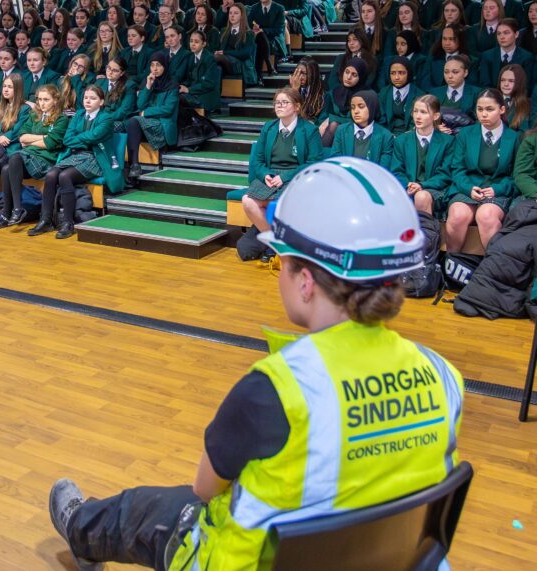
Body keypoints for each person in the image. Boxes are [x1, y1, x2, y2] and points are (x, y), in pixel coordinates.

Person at [49, 157, 463, 571]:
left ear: (304, 282)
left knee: (147, 511)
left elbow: (206, 488)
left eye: (282, 258)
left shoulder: (277, 390)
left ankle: (82, 528)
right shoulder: (443, 376)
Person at [28, 85, 124, 240]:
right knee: (52, 174)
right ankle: (45, 220)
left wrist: (78, 139)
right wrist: (81, 140)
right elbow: (67, 139)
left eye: (92, 98)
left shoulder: (106, 117)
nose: (88, 101)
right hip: (76, 155)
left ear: (101, 102)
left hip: (95, 158)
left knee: (65, 176)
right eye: (86, 97)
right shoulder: (78, 114)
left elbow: (94, 136)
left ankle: (68, 223)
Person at [239, 87, 323, 261]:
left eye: (285, 102)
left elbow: (314, 162)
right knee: (247, 201)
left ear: (297, 107)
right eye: (277, 103)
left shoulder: (309, 130)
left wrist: (284, 177)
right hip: (271, 176)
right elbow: (258, 161)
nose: (279, 106)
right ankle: (277, 244)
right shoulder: (269, 128)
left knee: (281, 204)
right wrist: (265, 175)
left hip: (295, 177)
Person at [444, 89, 521, 251]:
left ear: (501, 110)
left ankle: (491, 269)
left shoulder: (514, 138)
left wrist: (497, 189)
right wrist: (468, 188)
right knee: (457, 215)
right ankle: (451, 265)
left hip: (497, 190)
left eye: (489, 109)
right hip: (468, 188)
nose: (483, 114)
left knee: (486, 216)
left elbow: (517, 175)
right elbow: (457, 168)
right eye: (480, 109)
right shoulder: (465, 134)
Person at [0, 82, 67, 229]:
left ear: (55, 101)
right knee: (6, 169)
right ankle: (6, 213)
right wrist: (43, 137)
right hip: (28, 157)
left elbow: (51, 143)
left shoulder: (61, 119)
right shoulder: (34, 116)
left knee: (15, 158)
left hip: (45, 160)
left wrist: (36, 140)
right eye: (39, 99)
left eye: (46, 100)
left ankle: (17, 209)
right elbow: (22, 138)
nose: (42, 103)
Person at [391, 94, 453, 215]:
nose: (418, 116)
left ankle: (426, 233)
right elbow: (397, 171)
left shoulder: (448, 141)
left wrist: (421, 185)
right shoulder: (401, 141)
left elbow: (445, 174)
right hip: (407, 188)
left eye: (423, 112)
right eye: (415, 111)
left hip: (436, 190)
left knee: (421, 197)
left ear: (436, 116)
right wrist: (408, 185)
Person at [126, 52, 179, 184]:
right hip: (148, 121)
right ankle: (134, 164)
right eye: (152, 65)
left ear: (165, 67)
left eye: (158, 65)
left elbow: (167, 109)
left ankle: (134, 165)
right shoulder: (148, 80)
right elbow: (140, 104)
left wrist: (145, 113)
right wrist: (148, 87)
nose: (155, 69)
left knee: (133, 121)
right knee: (129, 122)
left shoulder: (172, 84)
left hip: (163, 123)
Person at [327, 89, 396, 171]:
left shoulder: (386, 136)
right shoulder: (341, 131)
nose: (355, 111)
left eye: (361, 106)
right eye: (353, 107)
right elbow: (335, 161)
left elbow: (383, 170)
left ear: (372, 108)